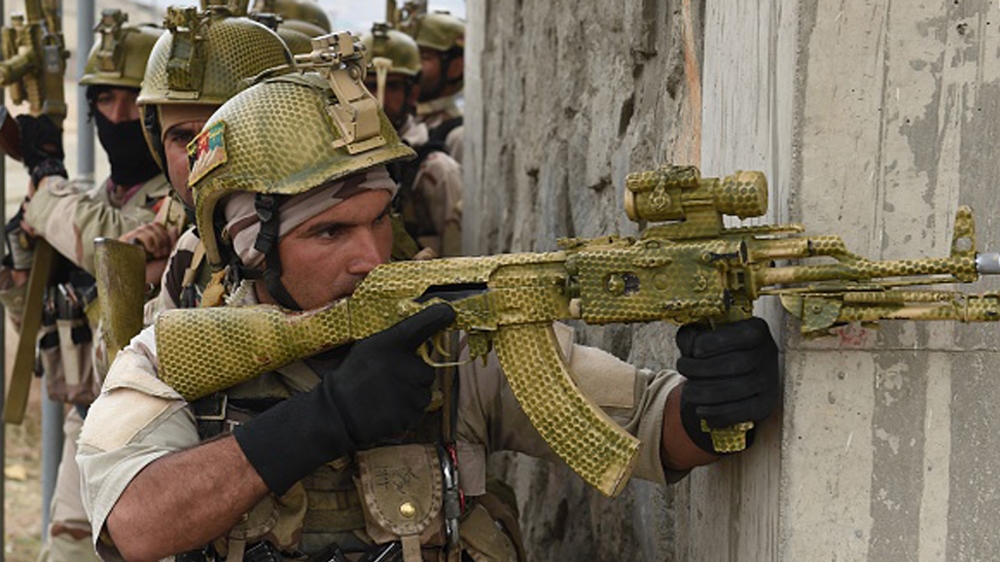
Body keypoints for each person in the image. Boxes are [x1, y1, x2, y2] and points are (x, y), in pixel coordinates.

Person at [77, 39, 781, 562]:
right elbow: (134, 522)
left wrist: (715, 401)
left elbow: (653, 428)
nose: (371, 255)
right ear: (250, 247)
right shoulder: (171, 361)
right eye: (330, 232)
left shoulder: (447, 342)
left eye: (380, 218)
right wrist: (329, 416)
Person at [0, 10, 170, 562]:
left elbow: (111, 246)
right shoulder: (94, 200)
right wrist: (23, 247)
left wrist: (48, 182)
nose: (118, 116)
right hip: (89, 418)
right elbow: (32, 316)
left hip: (155, 426)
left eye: (133, 101)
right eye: (104, 100)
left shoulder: (180, 201)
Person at [132, 4, 292, 314]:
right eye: (181, 138)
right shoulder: (193, 251)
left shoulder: (314, 240)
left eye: (215, 135)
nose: (199, 157)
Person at [362, 23, 462, 257]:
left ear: (412, 93)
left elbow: (456, 259)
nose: (378, 99)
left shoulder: (436, 170)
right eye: (369, 86)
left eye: (393, 87)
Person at [403, 11, 465, 164]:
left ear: (456, 67)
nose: (413, 66)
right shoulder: (406, 119)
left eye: (424, 57)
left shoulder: (458, 136)